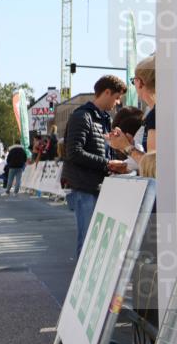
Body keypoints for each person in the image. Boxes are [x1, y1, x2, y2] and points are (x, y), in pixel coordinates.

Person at [61, 75, 129, 256]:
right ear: (106, 92)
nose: (118, 102)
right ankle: (82, 283)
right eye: (117, 97)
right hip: (85, 186)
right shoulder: (82, 116)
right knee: (88, 241)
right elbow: (74, 152)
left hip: (97, 185)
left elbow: (100, 150)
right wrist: (108, 163)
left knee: (96, 240)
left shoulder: (102, 119)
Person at [107, 55, 156, 169]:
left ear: (139, 82)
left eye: (133, 81)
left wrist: (126, 146)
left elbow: (154, 166)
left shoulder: (156, 115)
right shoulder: (158, 112)